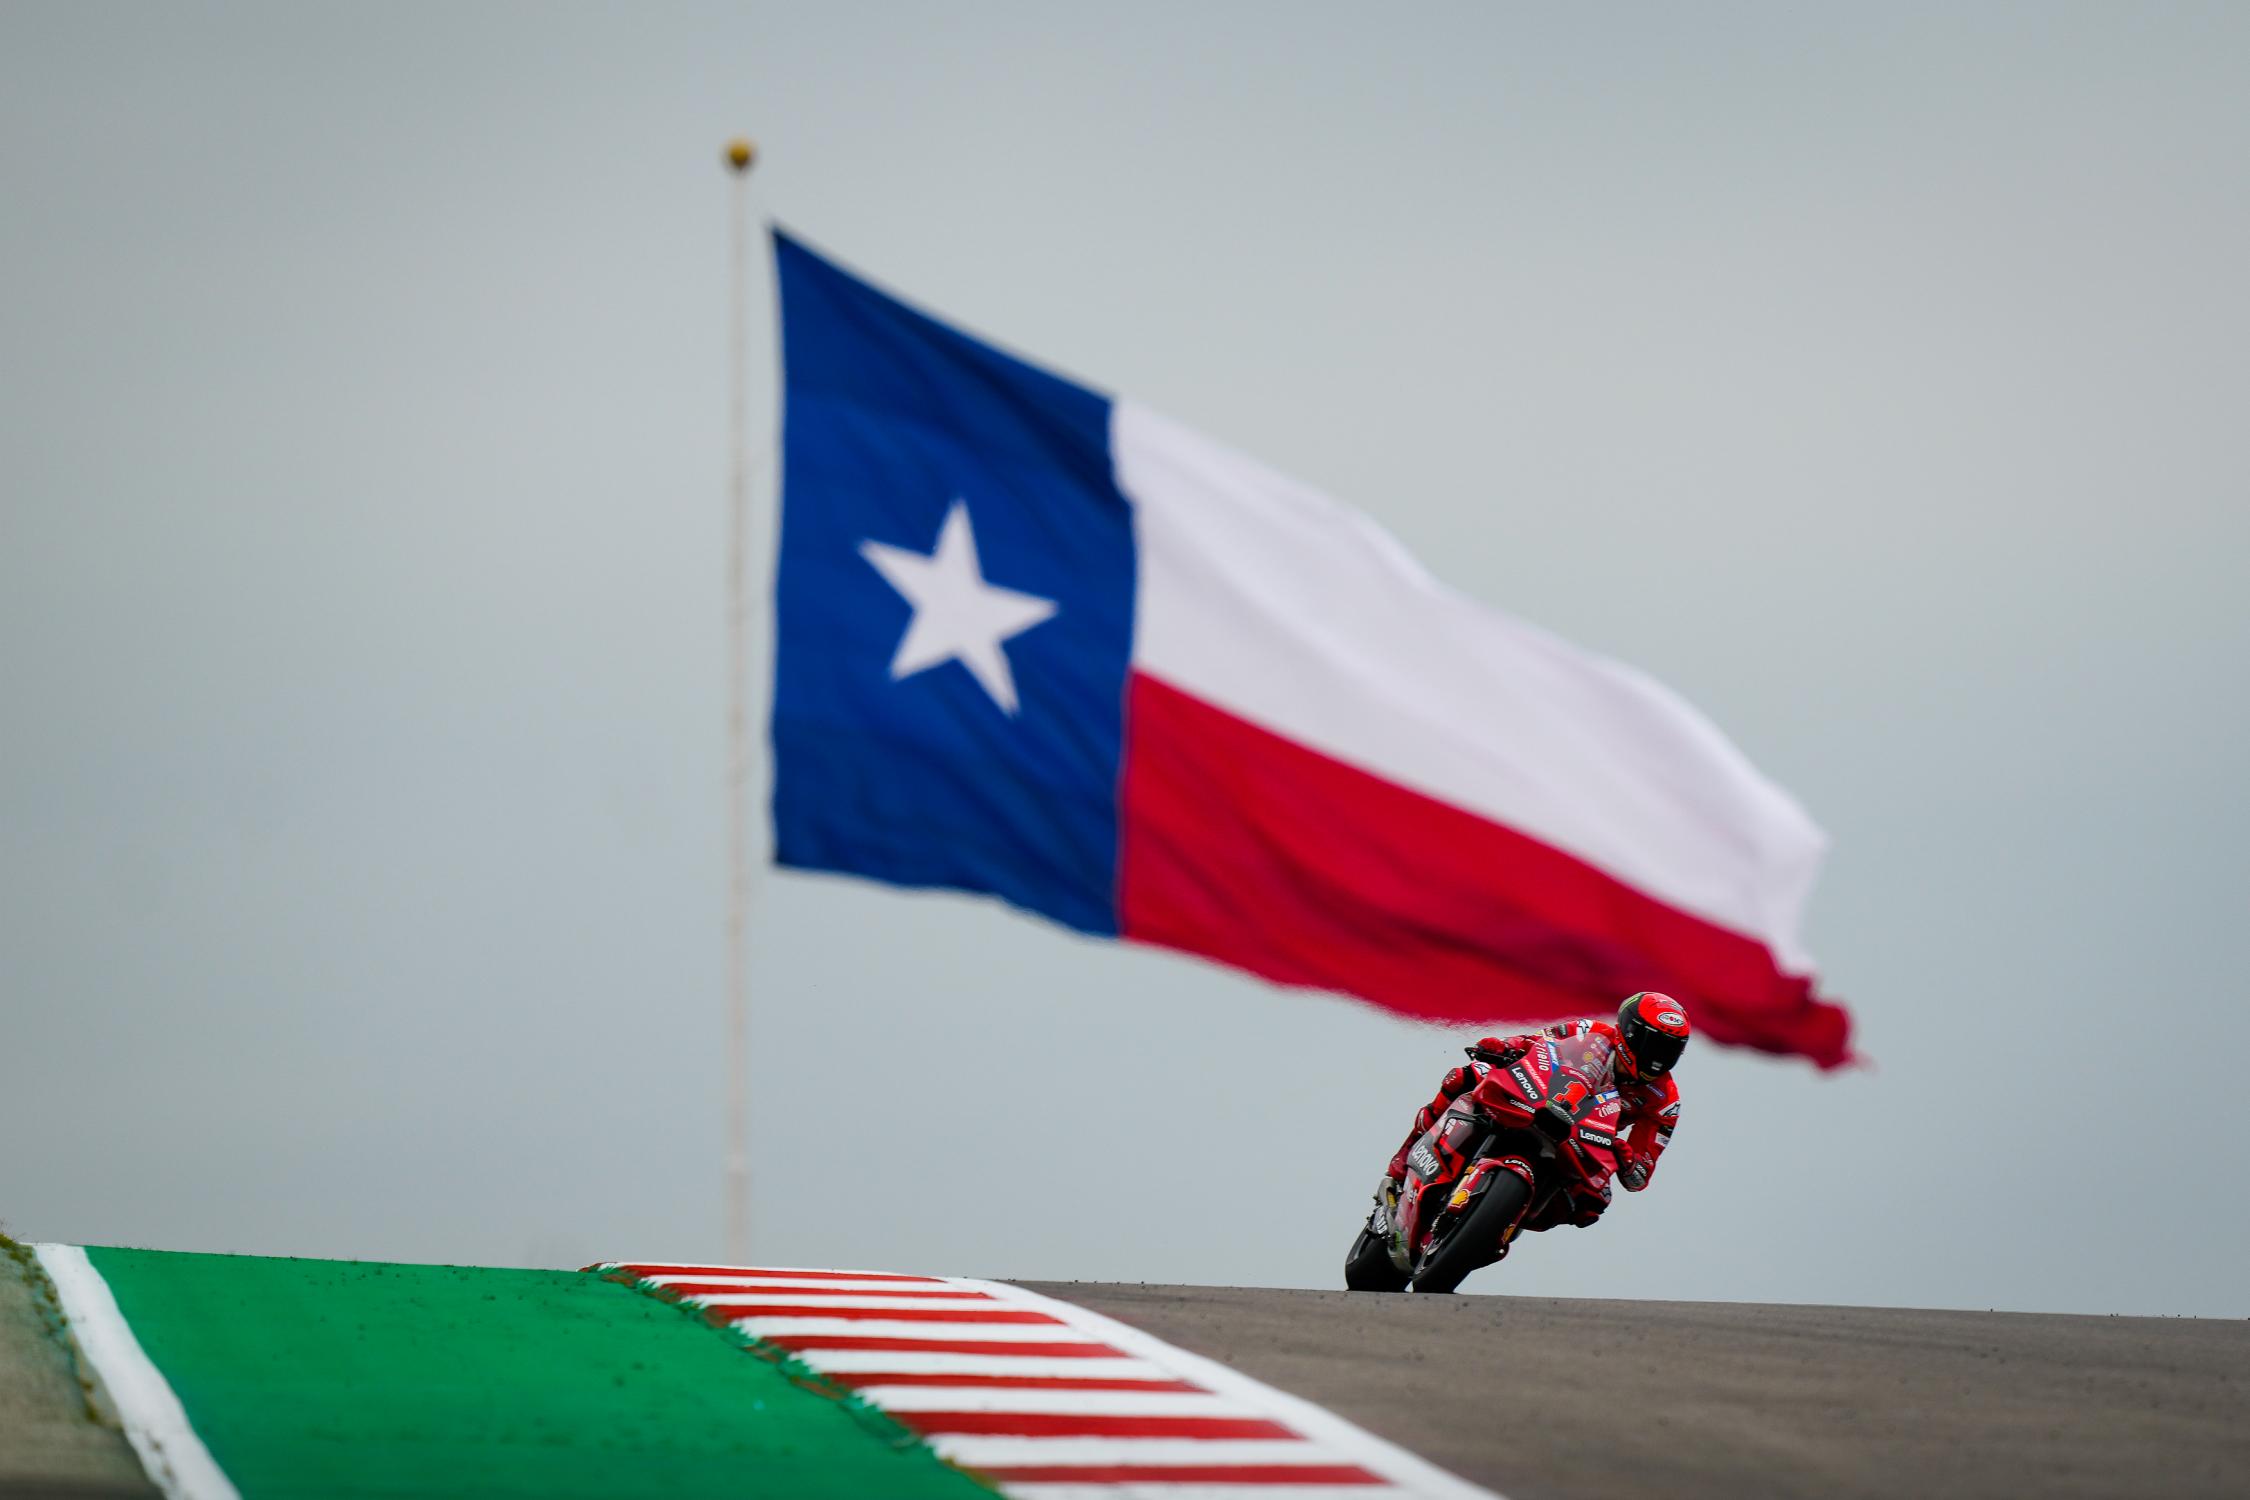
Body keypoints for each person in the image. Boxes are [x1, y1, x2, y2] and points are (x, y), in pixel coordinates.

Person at [1382, 992, 1690, 1249]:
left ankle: (1500, 1223)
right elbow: (1537, 1043)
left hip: (1583, 1141)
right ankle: (1403, 1160)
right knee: (1469, 1075)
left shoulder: (1666, 1101)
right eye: (1654, 1044)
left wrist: (1627, 1157)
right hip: (1537, 1100)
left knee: (1594, 1201)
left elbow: (1639, 1177)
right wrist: (1505, 1046)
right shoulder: (1589, 1032)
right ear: (1630, 1031)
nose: (1659, 1057)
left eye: (1670, 1049)